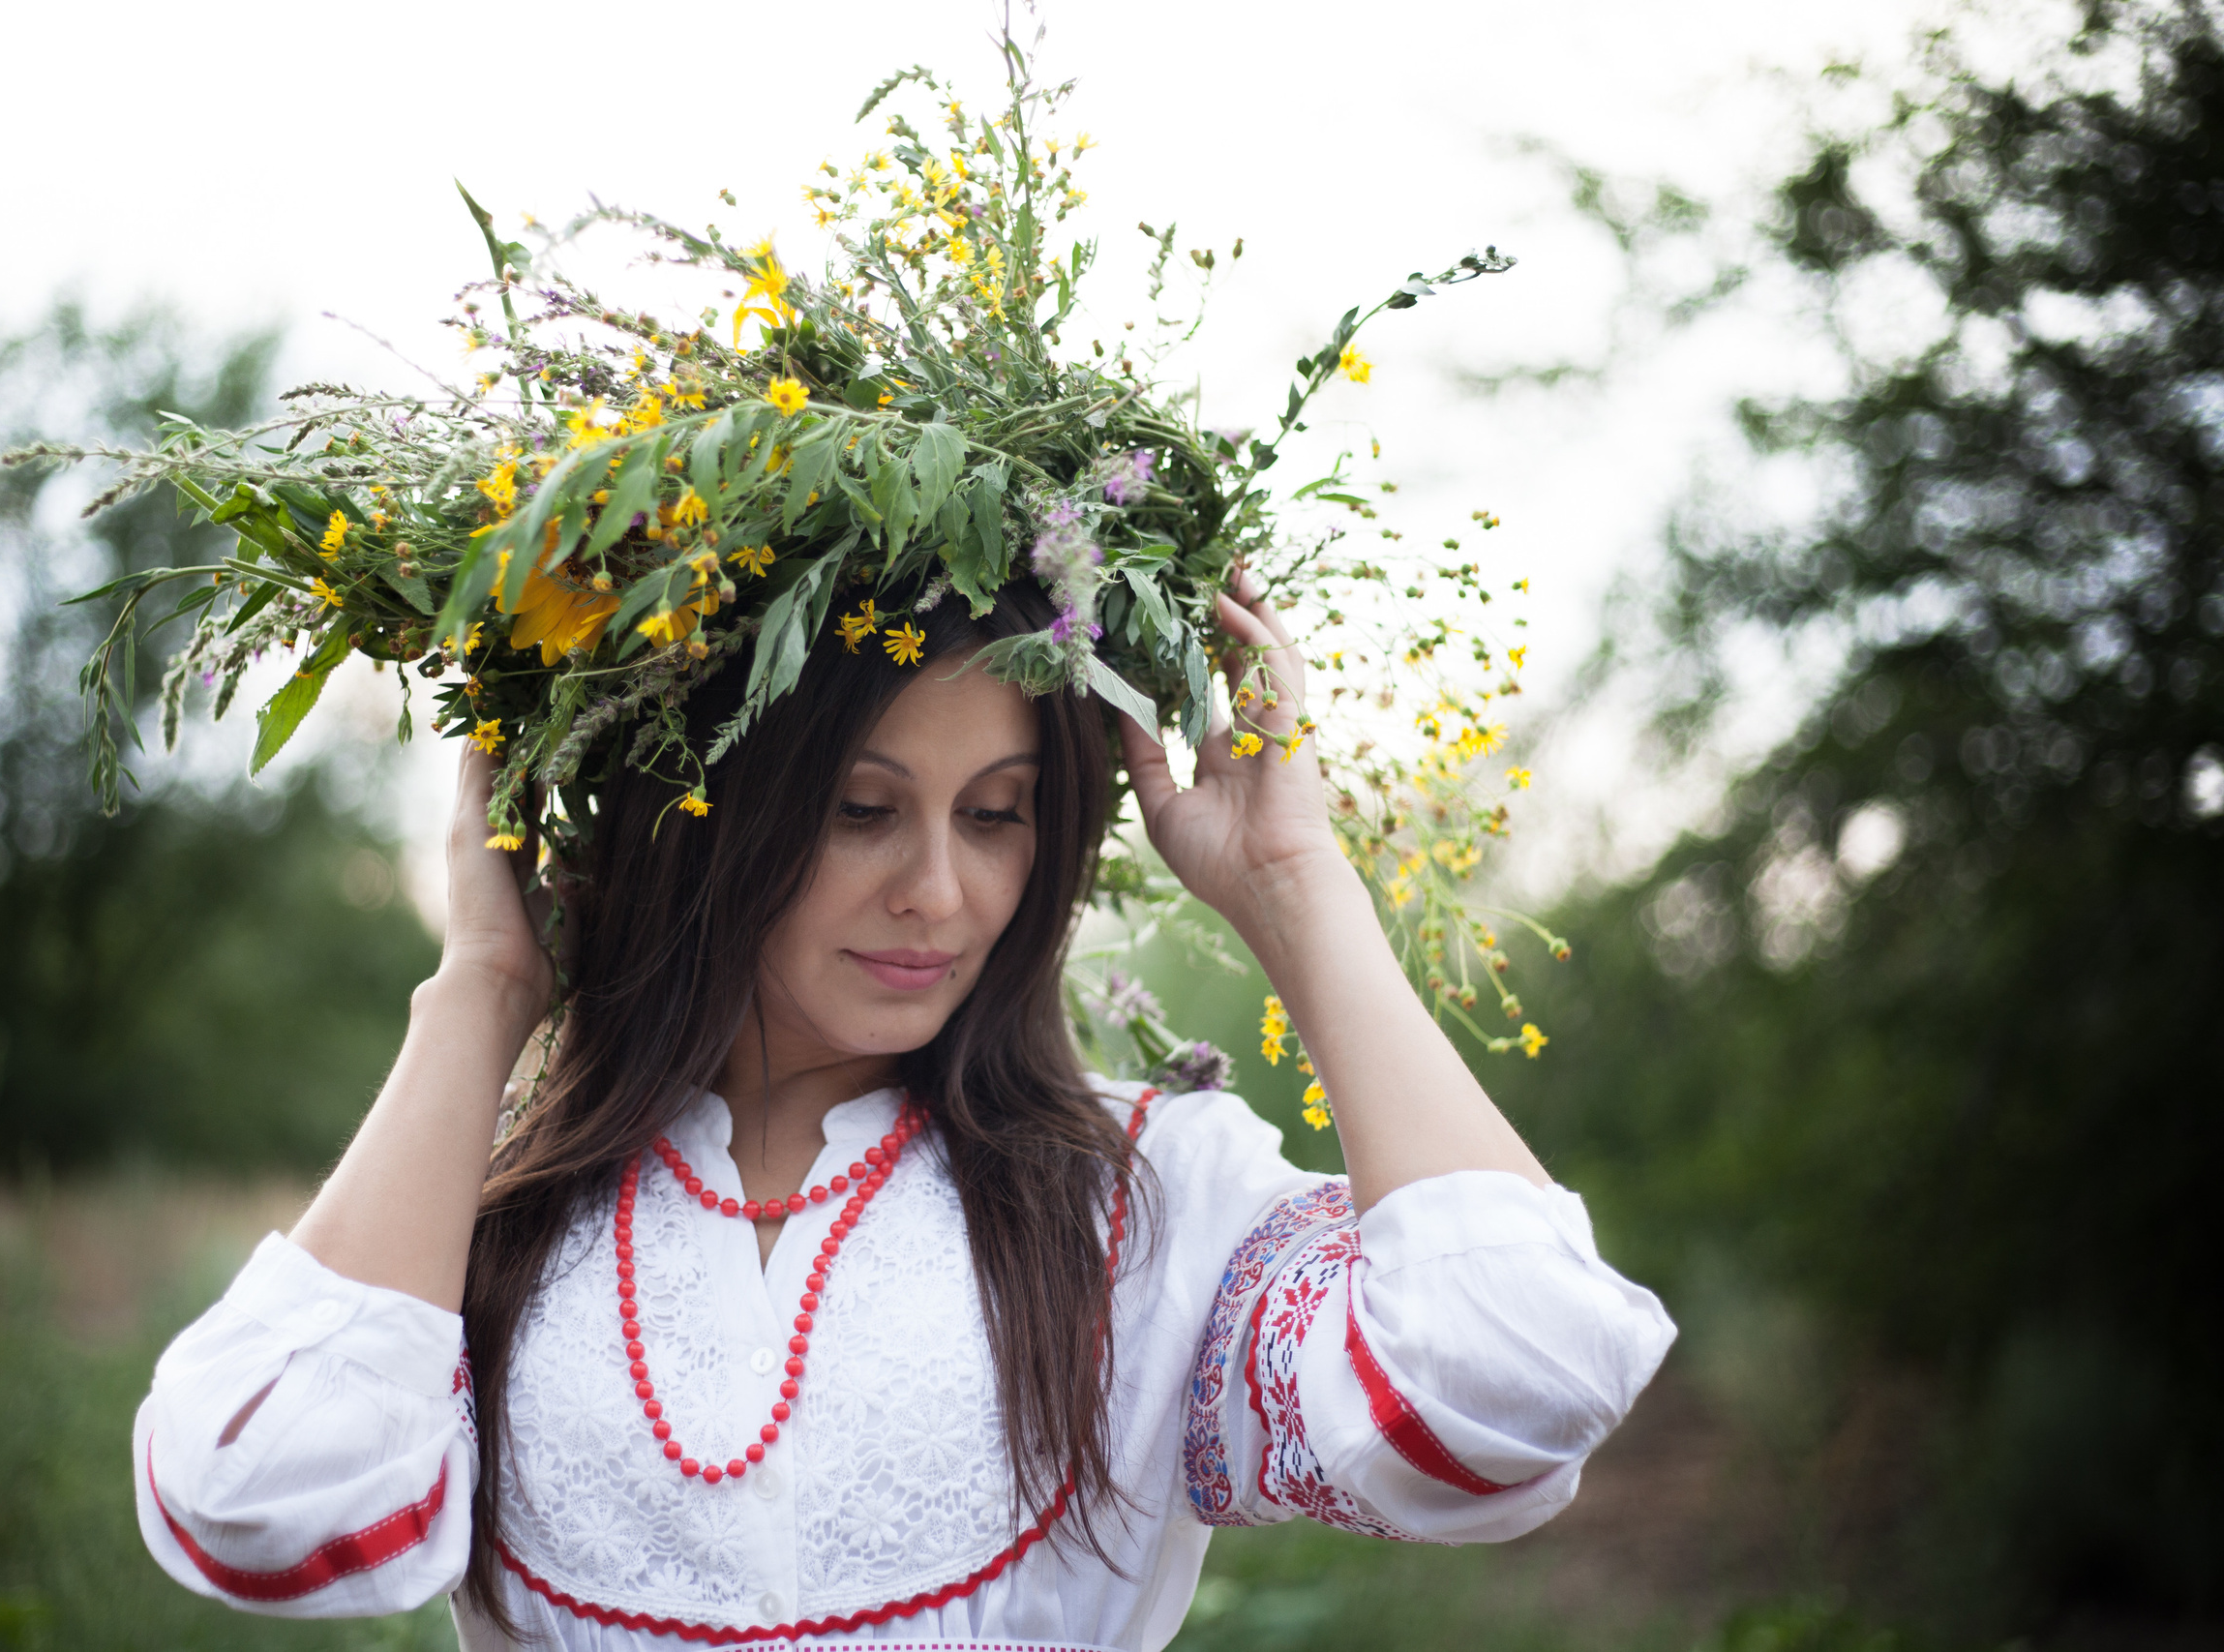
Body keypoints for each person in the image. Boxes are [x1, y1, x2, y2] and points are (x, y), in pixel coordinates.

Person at [131, 572, 1675, 1651]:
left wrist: (1295, 887)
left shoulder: (1138, 1201)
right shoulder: (488, 1224)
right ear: (692, 818)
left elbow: (1507, 1388)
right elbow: (262, 1513)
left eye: (996, 818)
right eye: (862, 810)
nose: (940, 891)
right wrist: (482, 986)